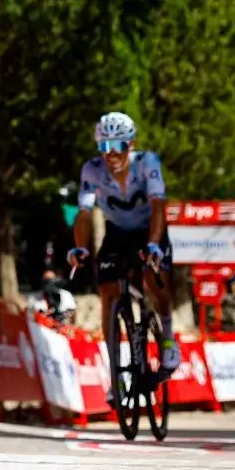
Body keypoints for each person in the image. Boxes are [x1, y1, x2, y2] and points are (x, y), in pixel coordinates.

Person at [67, 112, 181, 380]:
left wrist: (153, 244)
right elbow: (83, 213)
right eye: (104, 146)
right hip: (117, 232)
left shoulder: (147, 163)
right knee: (107, 292)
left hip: (148, 230)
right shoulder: (91, 170)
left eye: (118, 145)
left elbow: (157, 205)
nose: (111, 154)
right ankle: (115, 374)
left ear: (131, 145)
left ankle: (167, 337)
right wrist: (80, 248)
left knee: (155, 280)